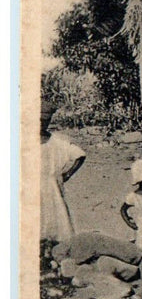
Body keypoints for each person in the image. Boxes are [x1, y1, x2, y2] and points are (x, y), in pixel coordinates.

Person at [40, 100, 85, 242]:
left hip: (52, 187)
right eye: (39, 120)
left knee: (57, 222)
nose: (41, 124)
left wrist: (67, 174)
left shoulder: (56, 142)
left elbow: (79, 155)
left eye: (45, 121)